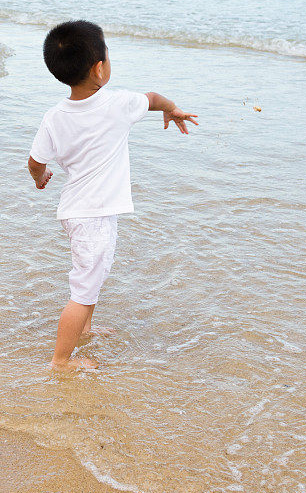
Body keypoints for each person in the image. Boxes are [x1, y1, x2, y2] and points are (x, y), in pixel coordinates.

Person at [27, 20, 197, 370]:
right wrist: (172, 108)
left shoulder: (54, 117)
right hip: (93, 215)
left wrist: (41, 177)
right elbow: (152, 98)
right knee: (85, 287)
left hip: (78, 211)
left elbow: (35, 161)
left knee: (93, 271)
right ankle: (61, 361)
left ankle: (85, 328)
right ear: (100, 68)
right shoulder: (118, 104)